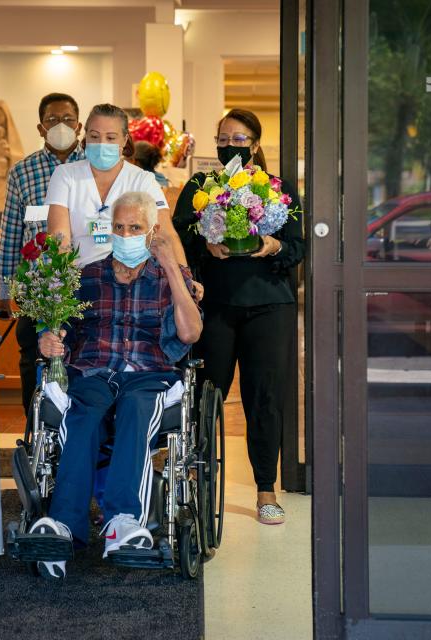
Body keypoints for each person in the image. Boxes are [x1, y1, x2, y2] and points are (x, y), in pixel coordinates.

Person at [27, 191, 202, 580]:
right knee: (82, 415)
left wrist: (172, 267)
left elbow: (190, 334)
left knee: (136, 413)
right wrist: (49, 338)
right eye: (119, 227)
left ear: (151, 231)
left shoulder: (169, 278)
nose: (126, 234)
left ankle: (124, 521)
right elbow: (63, 330)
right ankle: (62, 528)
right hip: (94, 372)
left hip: (149, 375)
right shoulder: (87, 276)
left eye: (135, 228)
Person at [173, 108, 305, 525]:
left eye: (239, 138)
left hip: (270, 306)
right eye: (223, 137)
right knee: (203, 393)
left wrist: (272, 247)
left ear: (256, 144)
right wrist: (204, 246)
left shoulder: (278, 189)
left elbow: (299, 247)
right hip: (215, 307)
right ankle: (192, 479)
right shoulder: (200, 186)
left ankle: (266, 488)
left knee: (265, 398)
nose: (230, 145)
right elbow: (178, 234)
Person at [45, 103, 201, 303]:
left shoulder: (142, 179)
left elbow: (166, 233)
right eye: (94, 136)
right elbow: (59, 238)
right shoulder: (65, 175)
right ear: (85, 137)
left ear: (124, 140)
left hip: (135, 282)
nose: (101, 143)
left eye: (110, 138)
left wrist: (185, 279)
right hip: (83, 282)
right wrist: (63, 290)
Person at [0, 92, 85, 414]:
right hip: (38, 291)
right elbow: (10, 237)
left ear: (80, 125)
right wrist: (4, 293)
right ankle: (36, 437)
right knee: (34, 366)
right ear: (40, 127)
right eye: (52, 120)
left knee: (81, 371)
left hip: (84, 288)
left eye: (68, 120)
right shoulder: (23, 172)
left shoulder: (93, 168)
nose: (61, 125)